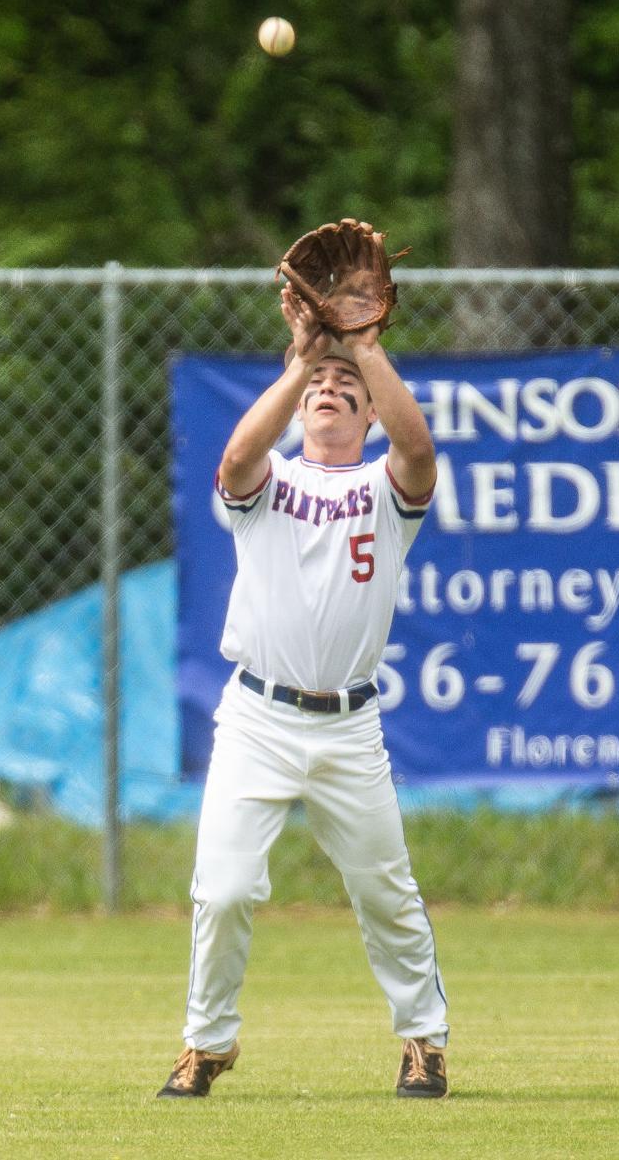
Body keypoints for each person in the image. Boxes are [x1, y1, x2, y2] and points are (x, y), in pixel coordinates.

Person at [157, 281, 449, 1100]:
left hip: (349, 726)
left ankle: (424, 1040)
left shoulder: (387, 491)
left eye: (346, 386)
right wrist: (304, 359)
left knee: (384, 890)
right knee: (223, 888)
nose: (331, 389)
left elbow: (420, 452)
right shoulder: (271, 480)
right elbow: (234, 462)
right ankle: (207, 1043)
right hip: (258, 716)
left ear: (369, 413)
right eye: (319, 383)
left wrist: (362, 347)